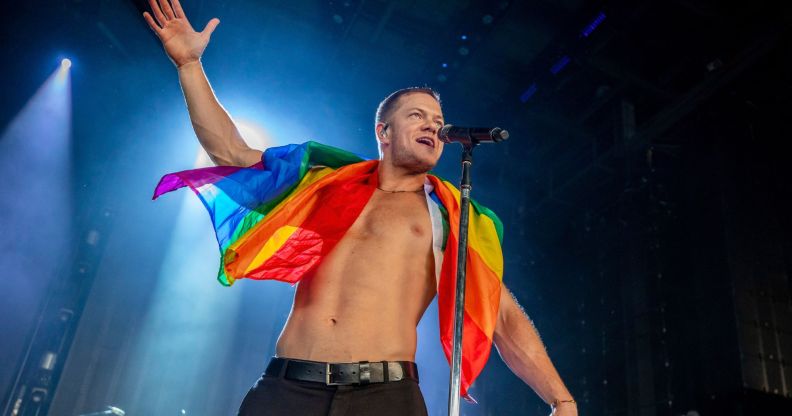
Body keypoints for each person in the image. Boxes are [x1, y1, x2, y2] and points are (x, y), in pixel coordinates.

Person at [143, 1, 578, 415]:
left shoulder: (445, 213)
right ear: (383, 131)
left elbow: (499, 310)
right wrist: (189, 66)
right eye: (417, 116)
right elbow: (232, 152)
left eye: (437, 121)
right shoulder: (326, 184)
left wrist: (561, 399)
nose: (433, 125)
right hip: (289, 388)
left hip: (385, 396)